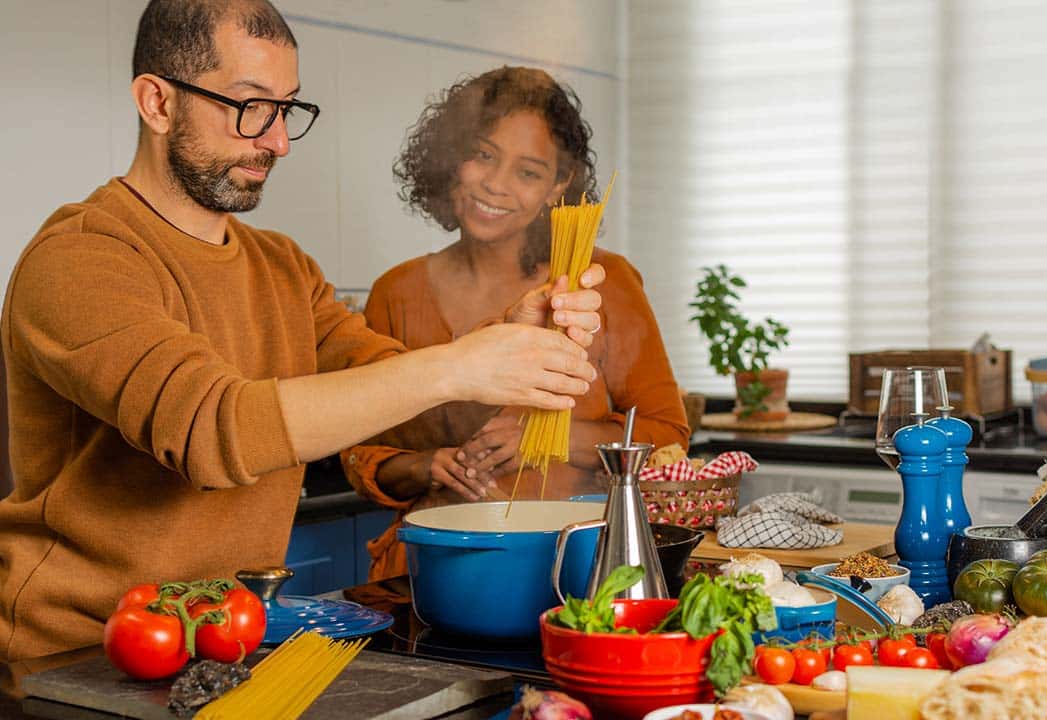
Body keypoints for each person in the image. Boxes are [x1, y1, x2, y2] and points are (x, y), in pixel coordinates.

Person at [0, 1, 607, 676]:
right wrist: (459, 366)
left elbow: (418, 408)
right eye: (251, 106)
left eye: (287, 110)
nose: (278, 141)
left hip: (228, 641)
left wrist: (508, 344)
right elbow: (210, 430)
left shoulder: (283, 267)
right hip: (80, 660)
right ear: (157, 102)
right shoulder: (80, 259)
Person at [341, 66, 689, 584]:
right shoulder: (398, 290)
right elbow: (363, 451)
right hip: (433, 570)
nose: (496, 185)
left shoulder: (600, 282)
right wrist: (429, 465)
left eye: (528, 172)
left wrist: (546, 436)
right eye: (482, 154)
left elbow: (665, 436)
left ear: (558, 186)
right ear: (451, 155)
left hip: (577, 571)